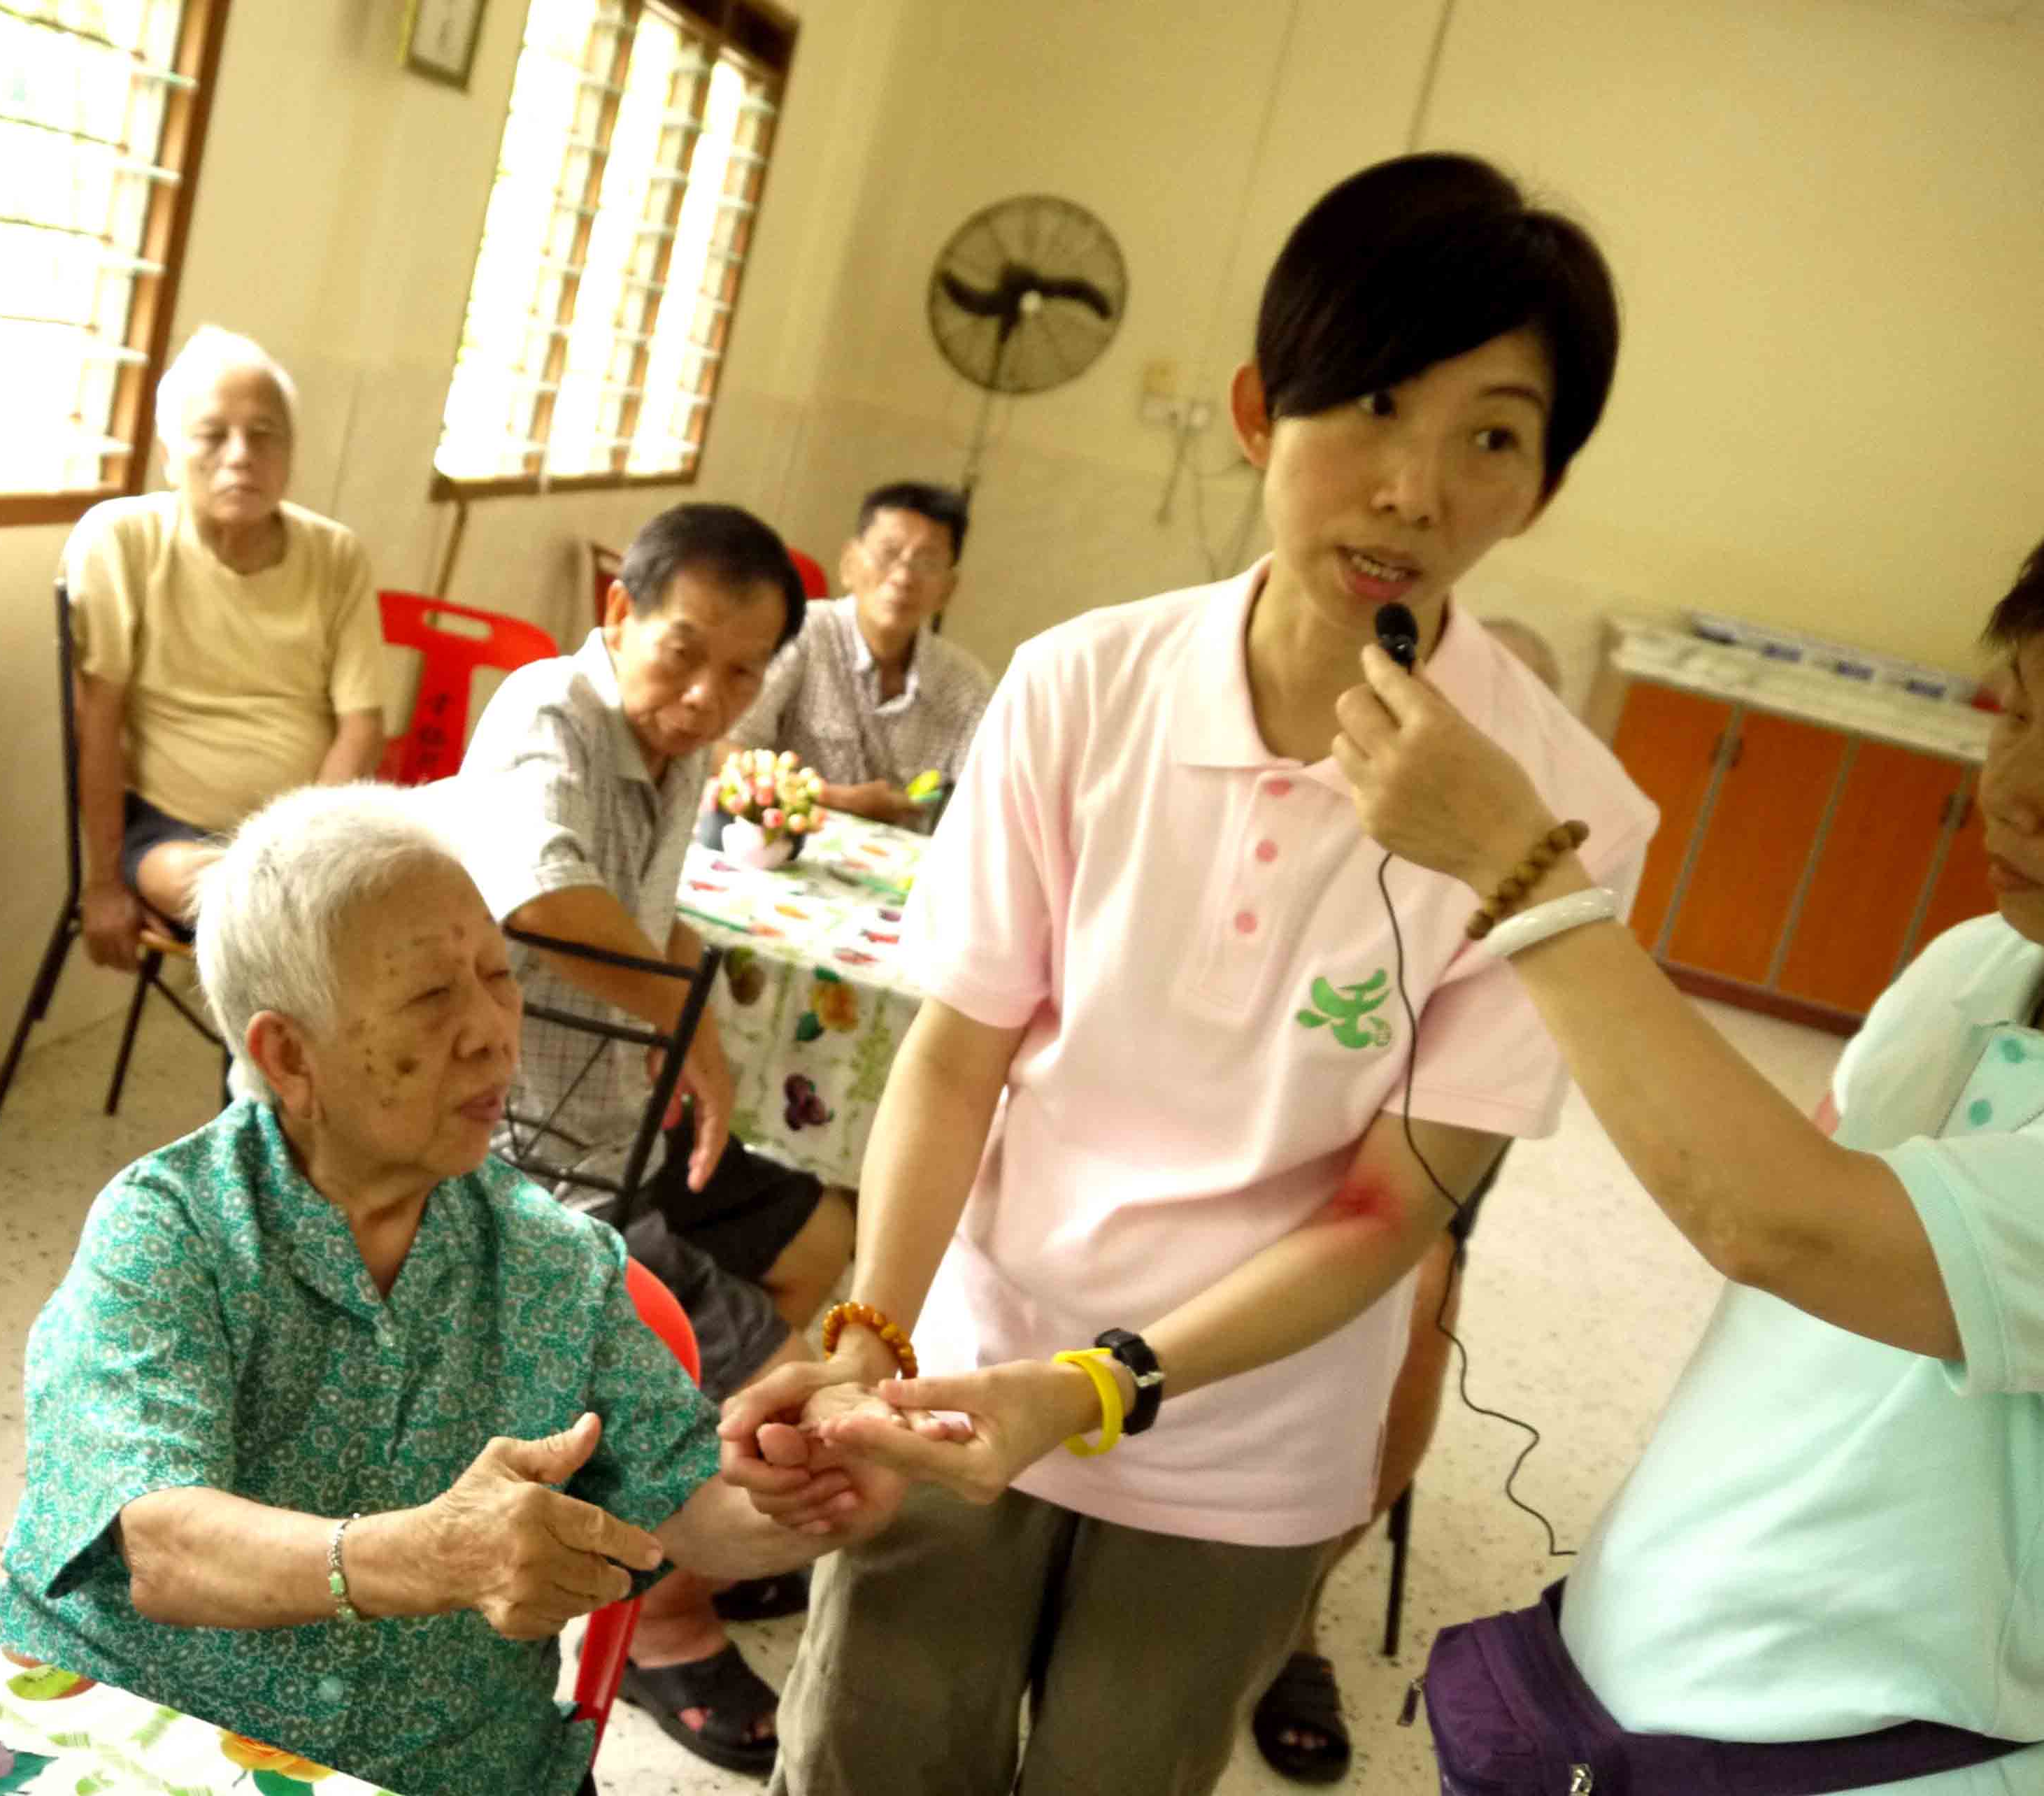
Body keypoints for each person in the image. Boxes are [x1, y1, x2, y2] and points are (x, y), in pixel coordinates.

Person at [718, 152, 1657, 1796]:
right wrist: (870, 1328)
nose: (1412, 489)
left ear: (1541, 486)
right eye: (1371, 404)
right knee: (874, 1753)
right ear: (1255, 411)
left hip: (1246, 1443)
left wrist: (1094, 1387)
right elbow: (955, 1054)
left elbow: (1393, 1205)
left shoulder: (1561, 814)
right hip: (969, 1354)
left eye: (1489, 436)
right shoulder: (1079, 686)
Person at [1334, 464, 2044, 1788]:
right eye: (2012, 713)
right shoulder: (1975, 959)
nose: (2012, 789)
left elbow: (1781, 1223)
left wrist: (1519, 867)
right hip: (1626, 1676)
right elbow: (1786, 1217)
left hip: (1872, 1761)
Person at [0, 782, 903, 1796]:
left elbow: (689, 1503)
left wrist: (812, 1487)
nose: (491, 1032)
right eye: (431, 995)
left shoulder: (553, 1260)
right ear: (288, 1055)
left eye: (497, 976)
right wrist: (426, 1557)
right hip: (158, 1744)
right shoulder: (173, 1229)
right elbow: (156, 1541)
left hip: (449, 1768)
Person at [452, 501, 859, 1774]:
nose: (705, 697)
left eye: (741, 673)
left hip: (621, 1125)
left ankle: (673, 1540)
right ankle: (663, 1616)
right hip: (529, 1153)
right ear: (619, 612)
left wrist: (703, 1038)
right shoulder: (549, 711)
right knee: (769, 1374)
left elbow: (662, 910)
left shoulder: (675, 749)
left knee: (824, 1234)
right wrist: (684, 1025)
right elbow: (544, 892)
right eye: (684, 651)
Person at [1249, 608, 1567, 1784]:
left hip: (1406, 1172)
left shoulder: (1525, 877)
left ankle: (1291, 1603)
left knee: (1419, 1293)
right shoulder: (1302, 808)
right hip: (1253, 1135)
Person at [62, 325, 387, 969]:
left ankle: (294, 977)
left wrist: (305, 847)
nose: (241, 456)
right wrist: (100, 882)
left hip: (308, 835)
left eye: (264, 435)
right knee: (243, 903)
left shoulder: (337, 555)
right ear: (169, 455)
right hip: (172, 832)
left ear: (290, 453)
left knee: (425, 901)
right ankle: (289, 1002)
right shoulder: (120, 541)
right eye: (213, 436)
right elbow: (95, 720)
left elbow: (362, 726)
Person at [724, 480, 992, 830]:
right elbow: (724, 751)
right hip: (787, 844)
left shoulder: (968, 685)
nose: (903, 577)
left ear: (947, 589)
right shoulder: (801, 634)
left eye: (927, 562)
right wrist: (836, 800)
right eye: (889, 553)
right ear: (850, 563)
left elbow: (986, 804)